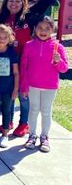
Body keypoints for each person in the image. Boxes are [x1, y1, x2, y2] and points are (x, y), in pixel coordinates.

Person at [0, 0, 69, 137]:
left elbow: (46, 0)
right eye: (11, 1)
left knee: (24, 95)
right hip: (5, 63)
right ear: (6, 3)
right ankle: (9, 120)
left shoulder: (30, 16)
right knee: (8, 92)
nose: (14, 4)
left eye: (18, 1)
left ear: (23, 3)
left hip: (26, 62)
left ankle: (24, 123)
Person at [21, 16, 69, 152]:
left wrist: (58, 61)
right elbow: (23, 67)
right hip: (32, 85)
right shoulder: (29, 45)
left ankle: (44, 137)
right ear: (35, 29)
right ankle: (32, 135)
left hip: (50, 86)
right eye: (40, 28)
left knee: (46, 112)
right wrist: (24, 85)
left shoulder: (58, 47)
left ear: (52, 29)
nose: (43, 31)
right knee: (33, 110)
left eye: (47, 28)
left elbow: (64, 68)